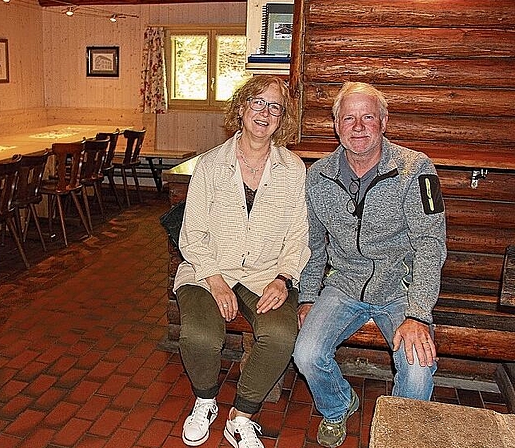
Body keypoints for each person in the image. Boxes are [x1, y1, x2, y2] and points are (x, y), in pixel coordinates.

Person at [292, 81, 447, 447]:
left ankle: (401, 437)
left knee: (418, 368)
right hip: (344, 284)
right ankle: (338, 406)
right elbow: (314, 244)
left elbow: (430, 244)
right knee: (307, 353)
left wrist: (419, 314)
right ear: (336, 125)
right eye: (349, 118)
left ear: (384, 121)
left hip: (401, 291)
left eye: (368, 117)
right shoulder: (318, 176)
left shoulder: (416, 169)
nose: (358, 127)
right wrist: (307, 297)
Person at [174, 75, 311, 448]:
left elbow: (299, 235)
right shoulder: (210, 165)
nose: (265, 113)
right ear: (241, 108)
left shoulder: (294, 169)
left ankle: (241, 415)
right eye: (257, 103)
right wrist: (215, 281)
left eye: (275, 107)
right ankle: (205, 401)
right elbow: (193, 234)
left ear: (283, 118)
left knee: (282, 335)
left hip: (266, 274)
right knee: (200, 335)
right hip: (208, 270)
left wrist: (284, 278)